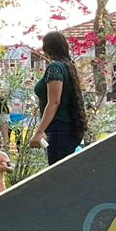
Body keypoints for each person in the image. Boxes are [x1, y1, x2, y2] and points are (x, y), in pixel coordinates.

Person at [29, 30, 88, 164]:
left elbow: (54, 102)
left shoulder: (55, 68)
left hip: (59, 131)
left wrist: (39, 132)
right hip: (68, 129)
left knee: (57, 177)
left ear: (46, 48)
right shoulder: (68, 66)